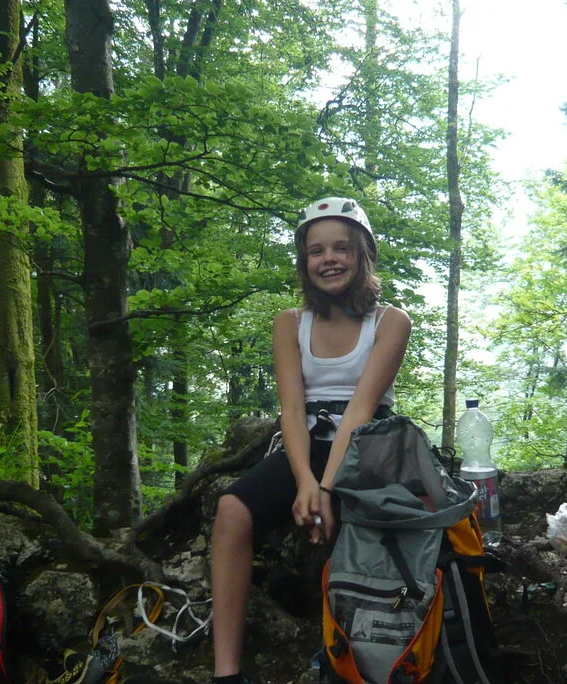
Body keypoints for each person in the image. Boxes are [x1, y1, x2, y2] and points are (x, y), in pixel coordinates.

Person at [208, 197, 412, 684]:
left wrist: (326, 485)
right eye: (316, 251)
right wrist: (304, 479)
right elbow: (292, 410)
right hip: (306, 444)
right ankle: (226, 671)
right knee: (232, 511)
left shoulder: (390, 322)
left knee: (363, 523)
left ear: (363, 254)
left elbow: (361, 411)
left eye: (342, 248)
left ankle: (353, 657)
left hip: (369, 445)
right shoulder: (289, 324)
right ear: (304, 262)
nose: (330, 259)